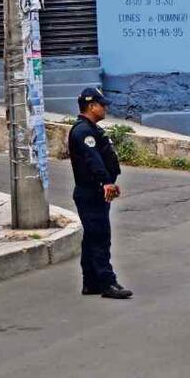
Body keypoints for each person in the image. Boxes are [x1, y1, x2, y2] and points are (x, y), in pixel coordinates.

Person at [68, 87, 132, 300]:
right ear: (91, 106)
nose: (105, 108)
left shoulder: (90, 128)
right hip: (91, 192)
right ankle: (107, 282)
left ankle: (91, 282)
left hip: (95, 190)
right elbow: (93, 159)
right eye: (102, 105)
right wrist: (106, 182)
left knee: (92, 237)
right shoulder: (83, 131)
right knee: (100, 237)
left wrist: (110, 182)